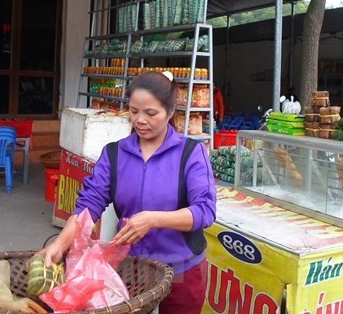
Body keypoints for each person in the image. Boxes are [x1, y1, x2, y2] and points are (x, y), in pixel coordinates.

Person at [39, 71, 217, 314]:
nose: (140, 120)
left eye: (151, 113)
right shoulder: (115, 154)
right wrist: (60, 244)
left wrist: (153, 219)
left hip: (181, 269)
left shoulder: (191, 153)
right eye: (134, 111)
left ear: (171, 111)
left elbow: (205, 211)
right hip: (131, 266)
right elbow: (89, 206)